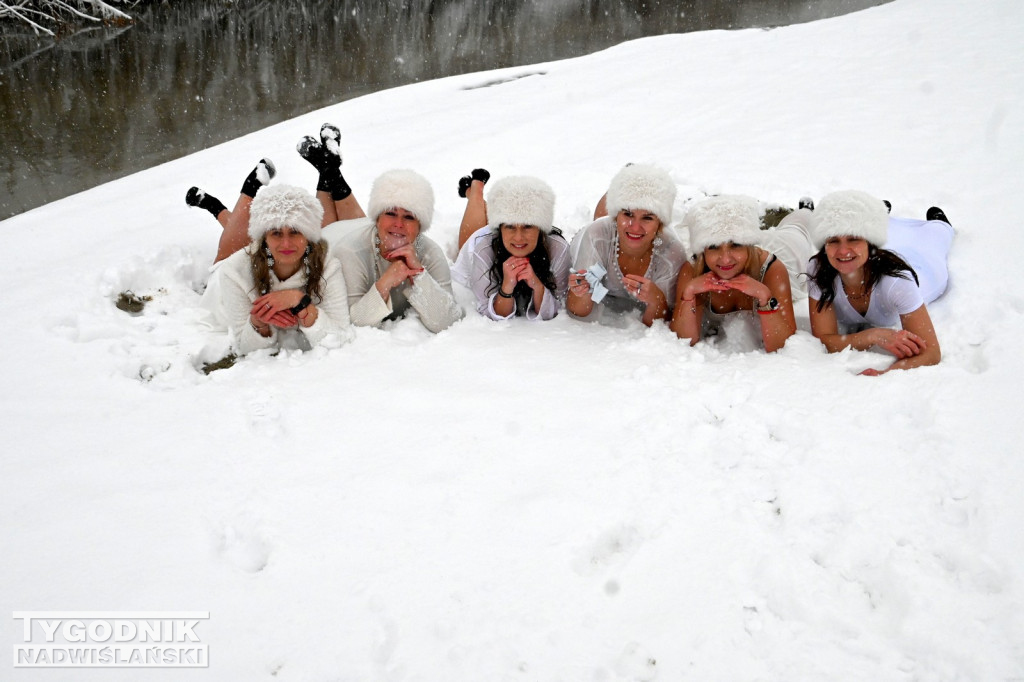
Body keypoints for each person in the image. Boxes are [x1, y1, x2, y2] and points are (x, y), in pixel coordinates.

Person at [296, 123, 463, 333]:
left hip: (359, 227)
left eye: (409, 217)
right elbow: (349, 325)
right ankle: (328, 169)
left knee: (374, 227)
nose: (399, 224)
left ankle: (328, 168)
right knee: (328, 227)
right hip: (331, 238)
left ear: (420, 226)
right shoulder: (349, 252)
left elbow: (447, 321)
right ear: (377, 219)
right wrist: (385, 283)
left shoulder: (430, 253)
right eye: (390, 213)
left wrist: (419, 274)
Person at [196, 180, 353, 355]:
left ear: (308, 235)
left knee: (237, 232)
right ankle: (222, 204)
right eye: (276, 233)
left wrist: (300, 302)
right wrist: (258, 323)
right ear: (264, 238)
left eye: (295, 231)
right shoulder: (233, 271)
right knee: (226, 252)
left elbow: (339, 336)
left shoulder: (328, 265)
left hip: (259, 253)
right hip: (223, 285)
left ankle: (219, 207)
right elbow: (244, 347)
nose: (286, 243)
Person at [806, 190, 953, 374]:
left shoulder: (898, 283)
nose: (843, 251)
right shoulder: (819, 269)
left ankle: (941, 224)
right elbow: (825, 340)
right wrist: (872, 336)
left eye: (853, 238)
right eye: (833, 240)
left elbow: (931, 352)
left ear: (870, 242)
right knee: (891, 237)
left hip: (924, 270)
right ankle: (885, 217)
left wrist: (887, 373)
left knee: (933, 237)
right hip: (876, 258)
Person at [671, 195, 809, 352]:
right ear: (703, 250)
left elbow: (782, 344)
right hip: (747, 254)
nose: (725, 259)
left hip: (785, 250)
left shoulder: (772, 268)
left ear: (747, 246)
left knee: (796, 229)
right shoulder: (692, 270)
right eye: (714, 247)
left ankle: (805, 210)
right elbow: (682, 341)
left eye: (735, 245)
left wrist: (765, 296)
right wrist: (688, 294)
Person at [566, 164, 688, 327]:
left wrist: (656, 300)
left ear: (660, 223)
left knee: (625, 229)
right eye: (628, 214)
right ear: (616, 216)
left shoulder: (671, 253)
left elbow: (658, 324)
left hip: (618, 233)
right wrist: (581, 292)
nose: (635, 226)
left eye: (648, 218)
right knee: (601, 220)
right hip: (601, 233)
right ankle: (623, 185)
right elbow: (577, 311)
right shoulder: (597, 235)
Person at [451, 173, 570, 320]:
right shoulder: (482, 248)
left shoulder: (558, 248)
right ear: (500, 228)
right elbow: (489, 311)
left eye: (527, 226)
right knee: (470, 235)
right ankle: (475, 191)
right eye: (509, 226)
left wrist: (537, 286)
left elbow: (559, 305)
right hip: (482, 243)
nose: (519, 237)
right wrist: (507, 286)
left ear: (540, 228)